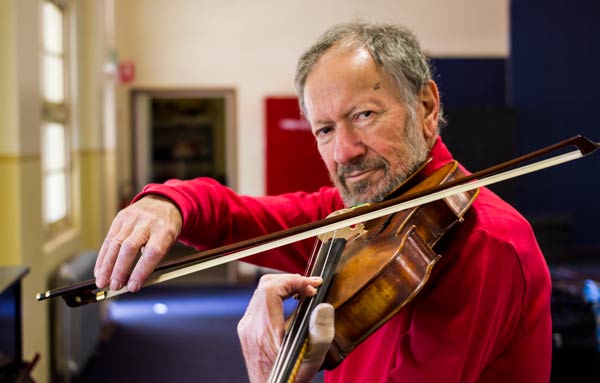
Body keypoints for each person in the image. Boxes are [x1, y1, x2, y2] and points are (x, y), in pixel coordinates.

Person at [94, 21, 552, 382]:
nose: (343, 151)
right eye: (325, 129)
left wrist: (269, 374)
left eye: (364, 115)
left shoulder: (487, 243)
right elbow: (234, 216)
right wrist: (166, 202)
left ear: (427, 108)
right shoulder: (357, 217)